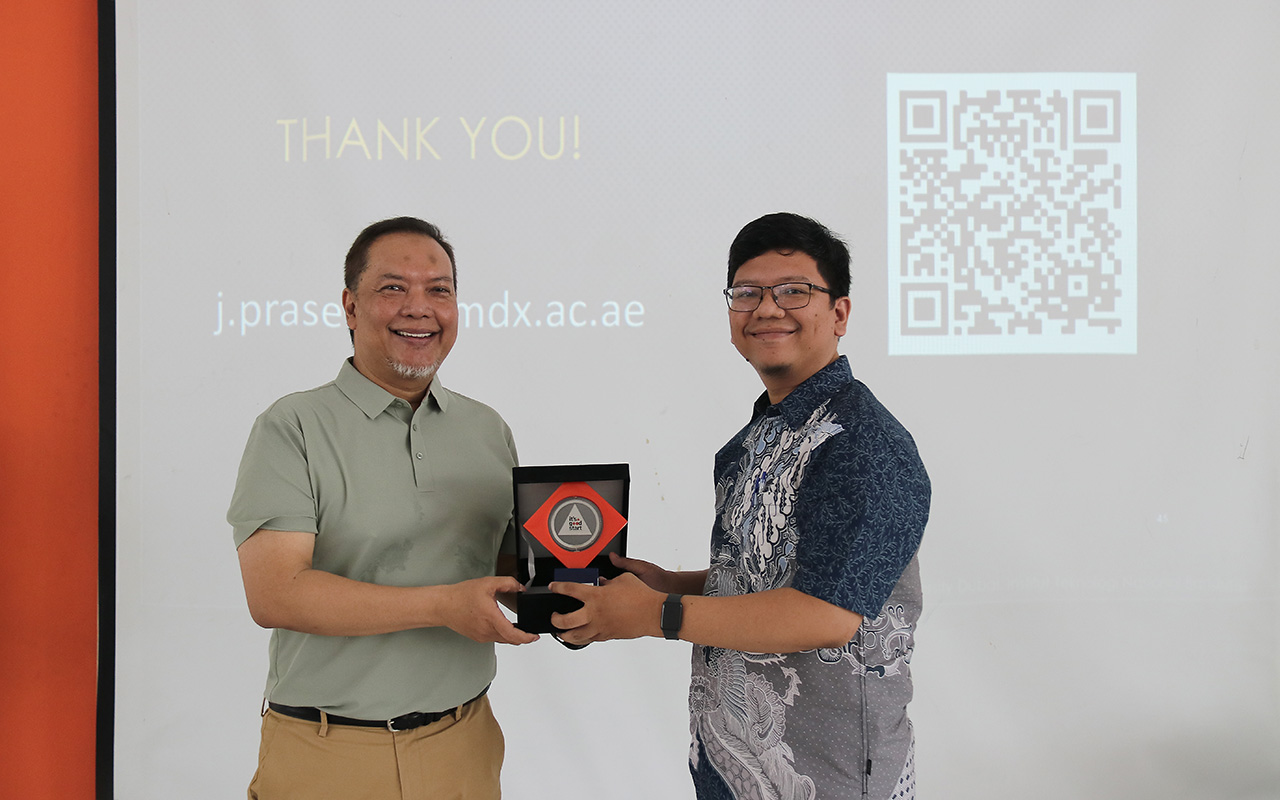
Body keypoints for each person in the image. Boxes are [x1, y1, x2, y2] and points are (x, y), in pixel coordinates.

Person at [551, 213, 931, 800]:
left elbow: (825, 613)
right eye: (747, 293)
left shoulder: (861, 442)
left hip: (828, 776)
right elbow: (770, 574)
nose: (767, 309)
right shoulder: (757, 437)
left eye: (794, 291)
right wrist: (667, 582)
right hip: (731, 764)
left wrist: (657, 613)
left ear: (840, 314)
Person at [227, 216, 538, 800]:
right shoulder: (292, 427)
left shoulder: (487, 429)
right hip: (329, 755)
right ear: (350, 307)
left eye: (439, 290)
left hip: (465, 746)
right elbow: (274, 593)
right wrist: (442, 605)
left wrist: (574, 591)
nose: (419, 308)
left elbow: (508, 577)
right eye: (393, 287)